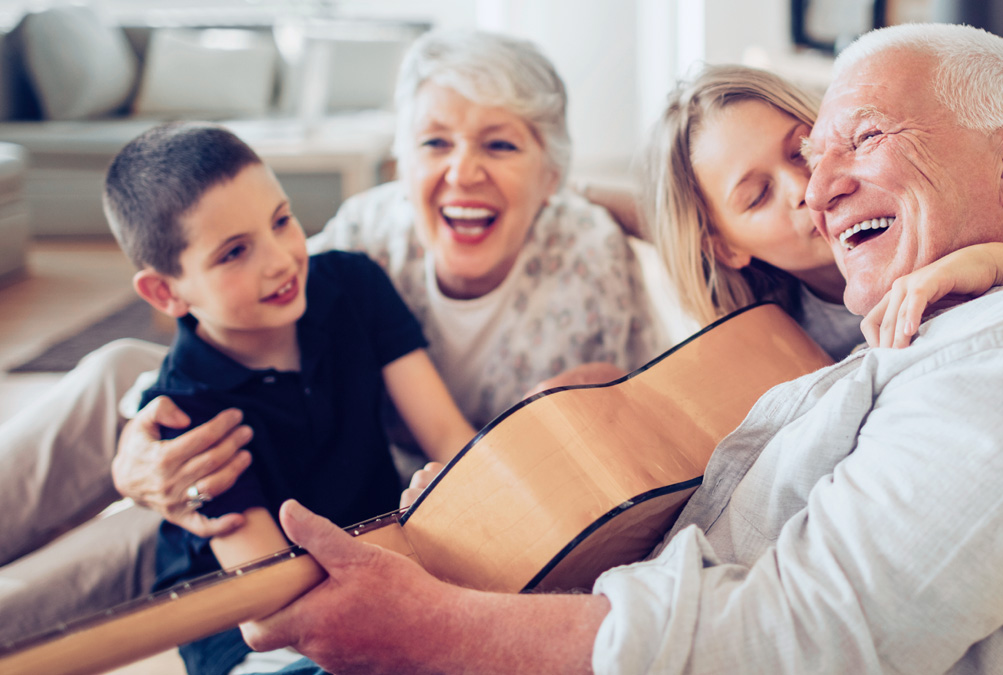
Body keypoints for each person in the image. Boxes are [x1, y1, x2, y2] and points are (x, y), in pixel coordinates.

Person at [229, 24, 1003, 674]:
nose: (813, 192)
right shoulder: (774, 338)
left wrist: (995, 264)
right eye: (801, 171)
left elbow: (802, 629)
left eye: (839, 141)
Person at [0, 30, 663, 647]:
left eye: (502, 145)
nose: (463, 172)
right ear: (400, 161)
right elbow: (232, 302)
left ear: (551, 172)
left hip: (380, 504)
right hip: (270, 452)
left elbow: (587, 453)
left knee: (165, 529)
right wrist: (135, 458)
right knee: (127, 385)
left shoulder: (582, 260)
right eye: (435, 144)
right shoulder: (369, 234)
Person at [102, 121, 477, 674]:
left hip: (375, 567)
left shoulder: (353, 283)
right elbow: (276, 591)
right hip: (254, 632)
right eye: (234, 253)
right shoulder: (185, 411)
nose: (279, 260)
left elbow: (449, 438)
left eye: (282, 221)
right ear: (166, 291)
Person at [598, 63, 1003, 357]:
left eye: (803, 149)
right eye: (757, 195)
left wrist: (998, 262)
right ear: (723, 245)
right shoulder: (766, 334)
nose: (807, 188)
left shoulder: (947, 245)